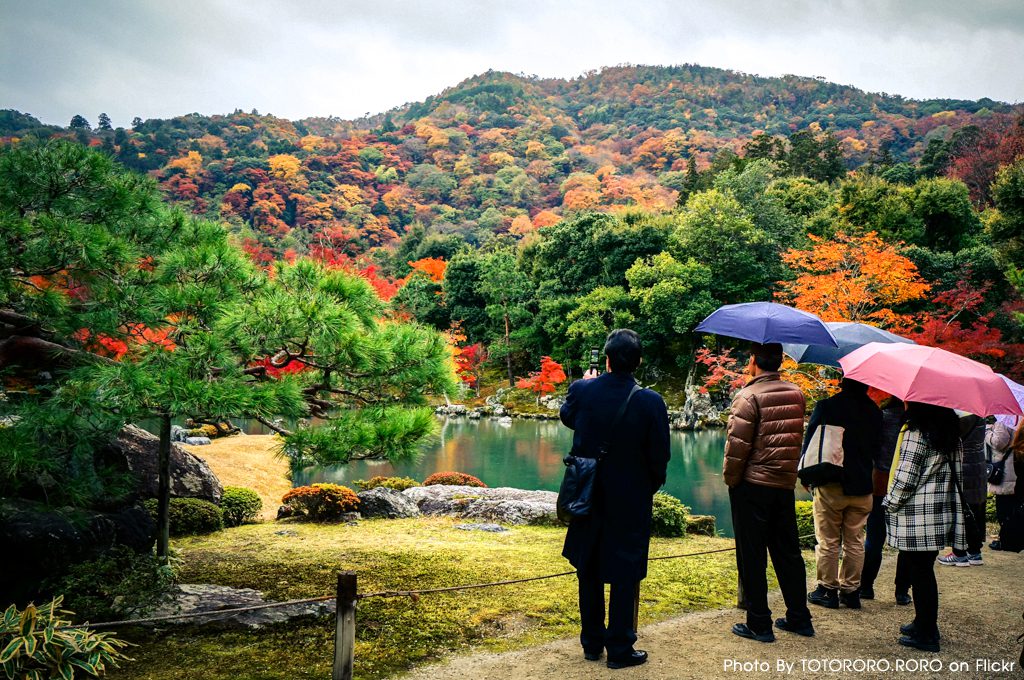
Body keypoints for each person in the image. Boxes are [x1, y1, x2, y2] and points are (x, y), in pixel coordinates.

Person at [560, 329, 670, 670]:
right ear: (637, 362)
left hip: (588, 494)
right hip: (630, 498)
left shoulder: (583, 390)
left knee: (588, 566)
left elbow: (567, 417)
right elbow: (660, 457)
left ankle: (592, 643)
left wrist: (584, 385)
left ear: (606, 359)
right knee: (625, 571)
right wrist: (645, 488)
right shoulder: (651, 401)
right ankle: (620, 648)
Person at [723, 342, 813, 643]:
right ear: (781, 362)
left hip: (753, 485)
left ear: (753, 362)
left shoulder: (747, 396)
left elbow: (737, 449)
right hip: (783, 485)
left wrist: (732, 481)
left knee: (752, 555)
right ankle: (799, 617)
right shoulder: (796, 394)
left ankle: (759, 623)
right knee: (788, 552)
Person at [884, 402, 966, 653]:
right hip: (939, 512)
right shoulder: (949, 431)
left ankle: (927, 633)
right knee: (922, 569)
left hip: (917, 514)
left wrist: (889, 502)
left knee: (920, 573)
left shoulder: (916, 430)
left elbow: (906, 477)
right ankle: (923, 622)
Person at [803, 378, 881, 610]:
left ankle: (827, 590)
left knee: (828, 539)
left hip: (831, 482)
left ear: (842, 382)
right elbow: (878, 448)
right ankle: (851, 591)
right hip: (863, 484)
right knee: (855, 540)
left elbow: (810, 444)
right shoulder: (875, 412)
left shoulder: (827, 407)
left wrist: (807, 477)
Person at [860, 398, 911, 604]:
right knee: (907, 543)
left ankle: (866, 586)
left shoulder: (881, 417)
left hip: (879, 482)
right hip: (907, 485)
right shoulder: (916, 423)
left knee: (874, 537)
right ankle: (901, 591)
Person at [937, 414, 987, 566]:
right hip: (977, 462)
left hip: (963, 463)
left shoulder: (964, 415)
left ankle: (959, 553)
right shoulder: (979, 412)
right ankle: (975, 551)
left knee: (962, 509)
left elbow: (951, 437)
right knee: (975, 508)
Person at [988, 419, 1022, 550]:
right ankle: (1013, 539)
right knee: (1015, 506)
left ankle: (1006, 540)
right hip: (1017, 467)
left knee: (1004, 509)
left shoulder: (1006, 419)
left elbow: (999, 442)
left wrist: (987, 433)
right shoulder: (1020, 418)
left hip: (1006, 470)